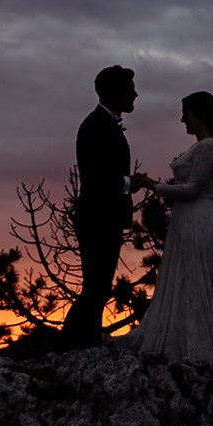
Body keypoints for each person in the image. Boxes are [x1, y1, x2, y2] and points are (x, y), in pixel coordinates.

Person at [127, 90, 213, 367]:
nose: (182, 120)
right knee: (187, 280)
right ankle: (182, 341)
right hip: (188, 221)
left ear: (198, 114)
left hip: (198, 221)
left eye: (185, 113)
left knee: (195, 281)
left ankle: (195, 349)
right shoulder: (205, 146)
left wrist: (153, 185)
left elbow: (192, 189)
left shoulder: (208, 147)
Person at [60, 64, 137, 348]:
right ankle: (72, 345)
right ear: (116, 94)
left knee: (99, 286)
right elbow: (97, 179)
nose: (136, 95)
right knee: (96, 287)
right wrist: (131, 183)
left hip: (104, 218)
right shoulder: (95, 127)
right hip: (98, 219)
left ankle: (84, 342)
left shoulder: (102, 124)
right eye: (131, 90)